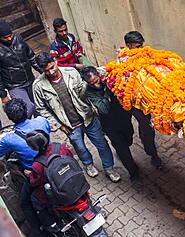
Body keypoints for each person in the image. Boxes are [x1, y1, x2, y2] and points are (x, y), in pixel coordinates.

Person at [33, 52, 120, 182]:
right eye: (47, 71)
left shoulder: (71, 72)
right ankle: (88, 165)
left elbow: (85, 89)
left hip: (88, 117)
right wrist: (59, 125)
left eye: (52, 67)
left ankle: (109, 168)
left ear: (55, 61)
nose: (51, 72)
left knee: (102, 144)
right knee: (80, 148)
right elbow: (41, 109)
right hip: (69, 125)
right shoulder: (38, 86)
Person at [0, 98, 50, 237]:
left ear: (9, 117)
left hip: (35, 173)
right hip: (51, 162)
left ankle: (38, 232)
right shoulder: (41, 121)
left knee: (24, 203)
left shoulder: (8, 139)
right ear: (26, 110)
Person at [81, 66, 140, 181]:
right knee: (122, 148)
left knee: (128, 139)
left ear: (99, 75)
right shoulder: (90, 92)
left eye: (96, 81)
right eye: (91, 83)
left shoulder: (109, 78)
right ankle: (133, 171)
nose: (95, 85)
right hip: (109, 124)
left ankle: (123, 149)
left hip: (123, 118)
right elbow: (103, 108)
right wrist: (107, 91)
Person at [122, 31, 162, 168]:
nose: (141, 49)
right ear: (128, 46)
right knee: (148, 127)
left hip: (149, 99)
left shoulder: (144, 54)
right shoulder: (123, 62)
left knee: (147, 127)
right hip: (136, 104)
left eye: (142, 46)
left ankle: (146, 142)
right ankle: (153, 154)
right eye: (137, 46)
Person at [26, 130, 74, 233]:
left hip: (57, 190)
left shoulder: (37, 164)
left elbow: (35, 182)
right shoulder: (60, 147)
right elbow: (71, 157)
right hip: (72, 180)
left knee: (34, 198)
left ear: (33, 148)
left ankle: (51, 224)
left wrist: (30, 176)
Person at [0, 19, 42, 118]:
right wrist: (3, 95)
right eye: (6, 38)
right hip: (14, 85)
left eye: (11, 35)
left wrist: (42, 71)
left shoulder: (18, 38)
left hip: (30, 79)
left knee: (39, 107)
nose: (10, 39)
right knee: (27, 109)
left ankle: (40, 128)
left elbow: (31, 56)